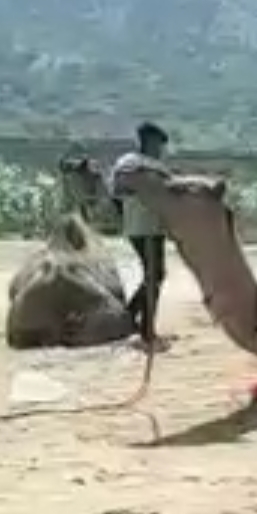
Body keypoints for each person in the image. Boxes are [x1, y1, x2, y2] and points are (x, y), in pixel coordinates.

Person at [112, 122, 170, 349]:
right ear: (149, 141)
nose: (160, 149)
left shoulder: (155, 167)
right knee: (155, 275)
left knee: (154, 275)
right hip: (143, 228)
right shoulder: (131, 163)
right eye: (158, 144)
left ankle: (129, 319)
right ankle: (145, 331)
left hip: (151, 228)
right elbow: (120, 191)